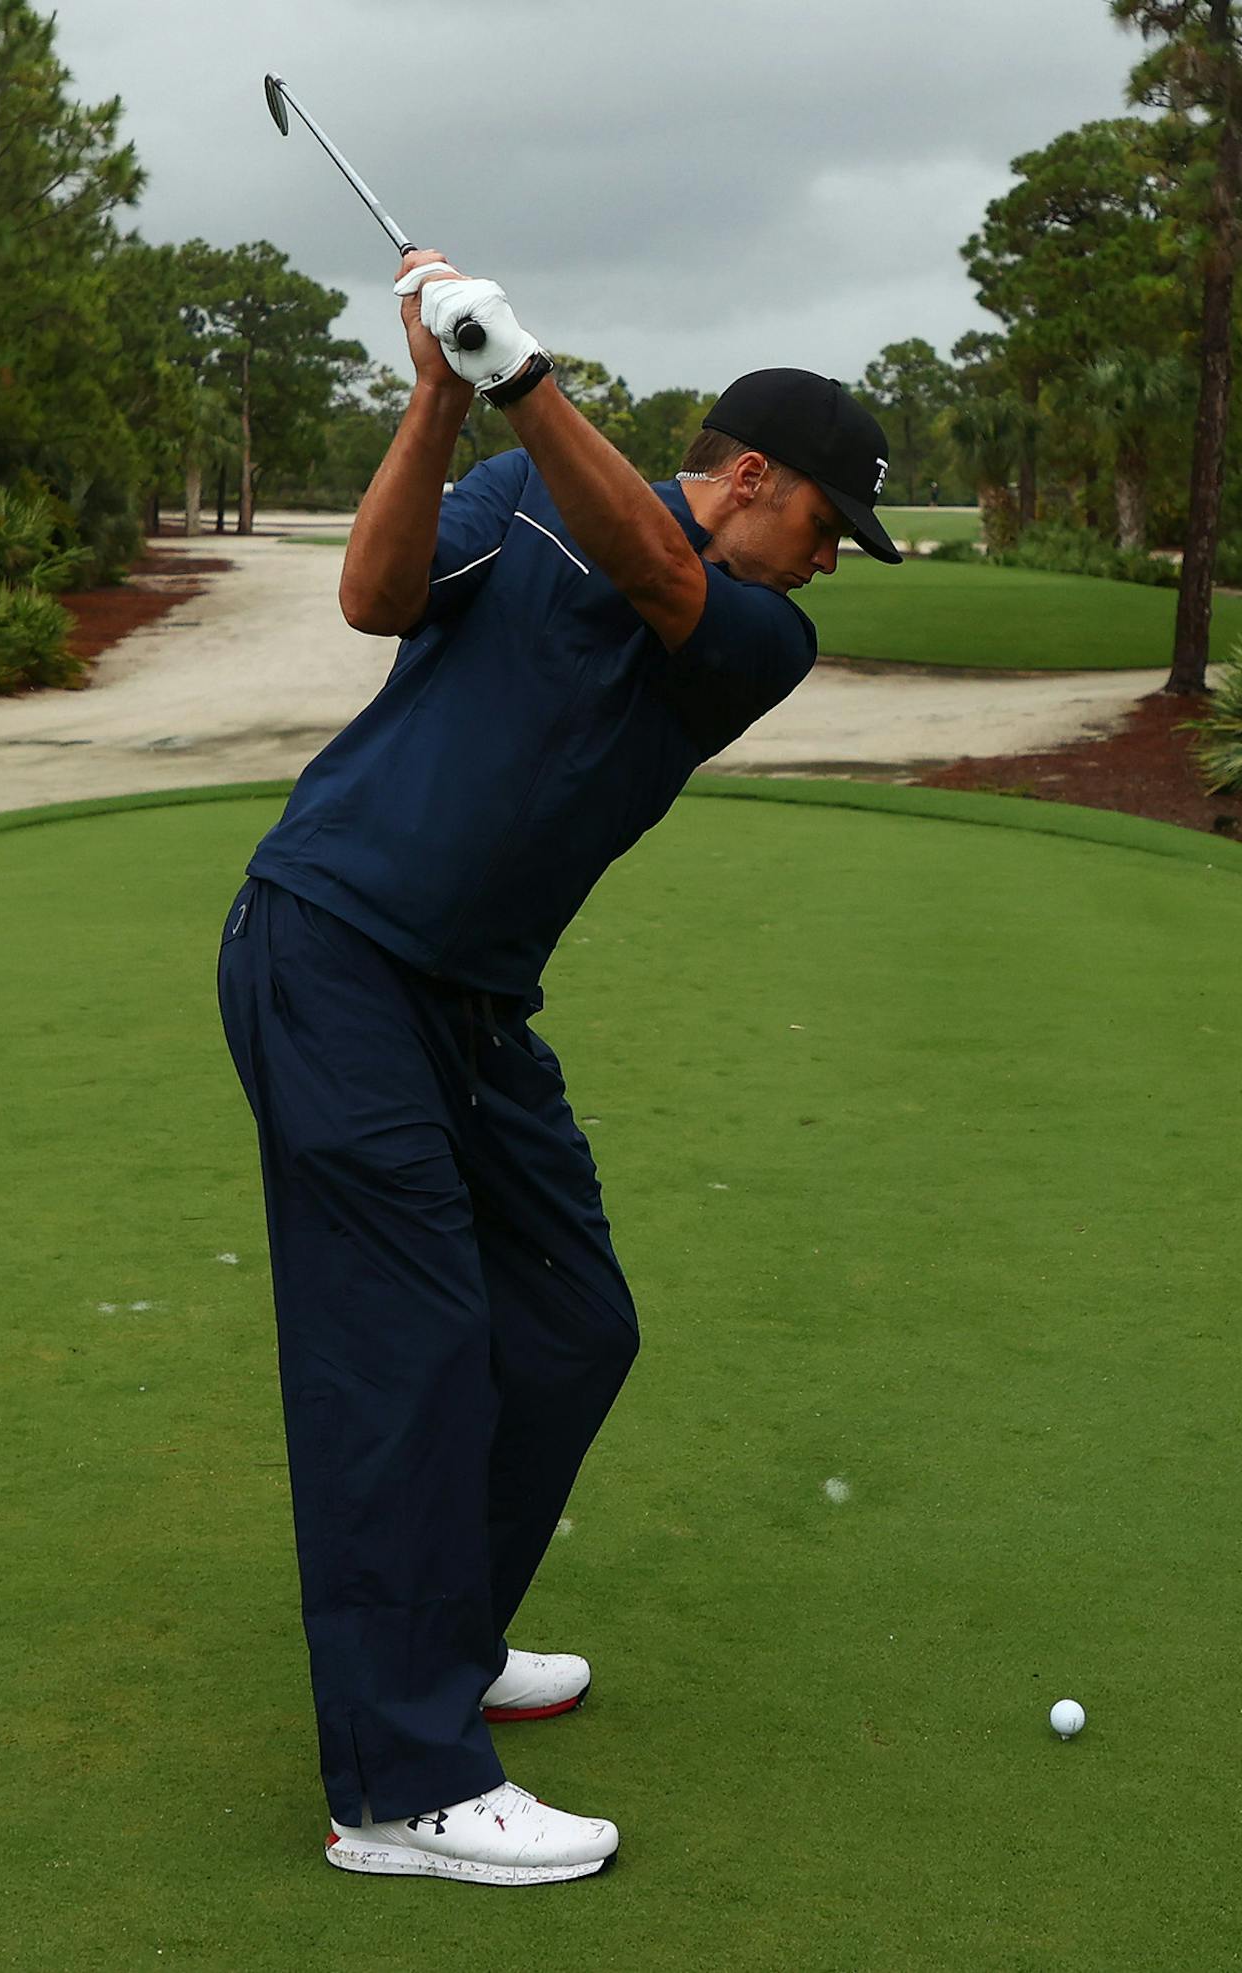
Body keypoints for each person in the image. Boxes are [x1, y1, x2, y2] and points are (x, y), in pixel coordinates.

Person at [215, 247, 901, 1888]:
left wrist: (519, 375)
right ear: (752, 476)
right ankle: (398, 1784)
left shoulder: (754, 632)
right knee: (413, 1347)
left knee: (575, 1322)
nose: (831, 563)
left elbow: (655, 575)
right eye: (826, 526)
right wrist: (438, 399)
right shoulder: (516, 491)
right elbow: (375, 597)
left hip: (470, 1003)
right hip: (331, 947)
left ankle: (440, 1638)